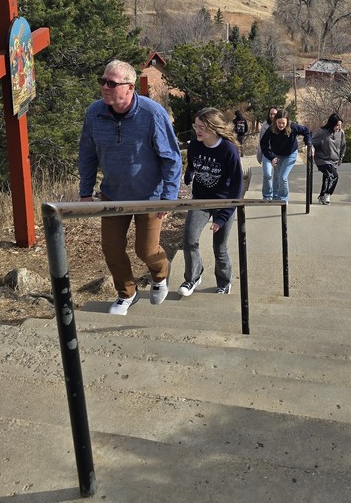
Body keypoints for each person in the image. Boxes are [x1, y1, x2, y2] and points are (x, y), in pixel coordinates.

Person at [78, 59, 182, 314]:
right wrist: (85, 191)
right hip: (113, 194)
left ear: (129, 87)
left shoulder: (151, 113)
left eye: (111, 83)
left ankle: (160, 273)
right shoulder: (94, 113)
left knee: (146, 250)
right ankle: (127, 293)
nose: (104, 87)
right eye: (102, 81)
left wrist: (168, 196)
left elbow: (171, 157)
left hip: (150, 196)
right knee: (111, 248)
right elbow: (87, 154)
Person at [179, 108, 244, 297]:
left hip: (224, 201)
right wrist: (189, 175)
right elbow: (192, 164)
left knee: (220, 246)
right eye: (196, 126)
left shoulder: (228, 150)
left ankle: (224, 281)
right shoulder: (194, 145)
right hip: (200, 200)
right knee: (189, 239)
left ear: (214, 129)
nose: (197, 131)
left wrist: (223, 216)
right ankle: (193, 276)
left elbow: (236, 187)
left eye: (202, 128)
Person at [259, 108, 312, 203]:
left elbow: (306, 131)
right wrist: (271, 157)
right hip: (276, 155)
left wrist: (308, 144)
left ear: (287, 122)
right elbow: (263, 144)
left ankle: (283, 199)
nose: (281, 125)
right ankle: (275, 197)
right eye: (279, 123)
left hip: (290, 154)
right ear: (275, 121)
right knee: (277, 177)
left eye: (283, 123)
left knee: (283, 177)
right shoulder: (271, 129)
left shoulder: (293, 127)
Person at [311, 113, 346, 205]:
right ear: (332, 124)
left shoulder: (341, 132)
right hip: (322, 160)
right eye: (337, 125)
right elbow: (311, 142)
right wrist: (311, 148)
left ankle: (322, 195)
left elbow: (343, 146)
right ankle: (327, 194)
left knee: (327, 177)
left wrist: (340, 158)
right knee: (334, 176)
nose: (339, 127)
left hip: (334, 160)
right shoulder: (322, 132)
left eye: (340, 125)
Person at [255, 105, 279, 200]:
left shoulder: (281, 124)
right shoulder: (265, 125)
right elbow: (261, 141)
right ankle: (267, 195)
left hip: (278, 153)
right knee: (267, 175)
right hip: (267, 153)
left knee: (277, 176)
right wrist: (259, 156)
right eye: (271, 114)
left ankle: (276, 196)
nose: (272, 116)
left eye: (274, 114)